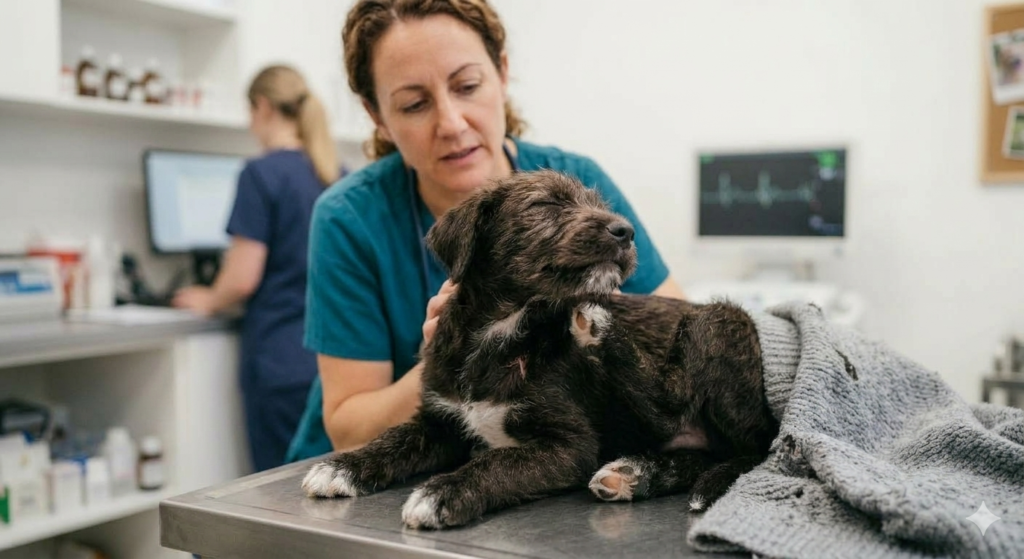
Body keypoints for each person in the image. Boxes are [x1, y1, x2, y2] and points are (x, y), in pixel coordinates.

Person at [286, 0, 685, 462]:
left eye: (468, 85)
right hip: (385, 470)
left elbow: (675, 338)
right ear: (377, 116)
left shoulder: (578, 182)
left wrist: (591, 330)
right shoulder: (350, 218)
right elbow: (349, 430)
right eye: (414, 104)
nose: (452, 124)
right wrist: (458, 352)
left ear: (502, 73)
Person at [174, 65, 340, 472]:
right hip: (333, 363)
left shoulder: (260, 173)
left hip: (280, 363)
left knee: (278, 498)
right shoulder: (335, 174)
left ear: (262, 107)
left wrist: (208, 299)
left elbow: (243, 278)